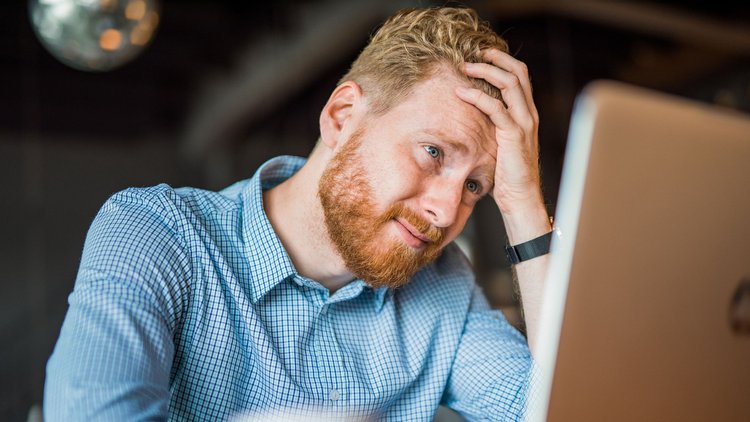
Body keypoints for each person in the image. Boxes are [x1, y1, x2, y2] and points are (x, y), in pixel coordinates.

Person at [44, 5, 552, 421]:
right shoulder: (159, 233)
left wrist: (523, 202)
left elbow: (560, 411)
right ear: (341, 117)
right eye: (433, 153)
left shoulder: (444, 285)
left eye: (475, 187)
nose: (445, 212)